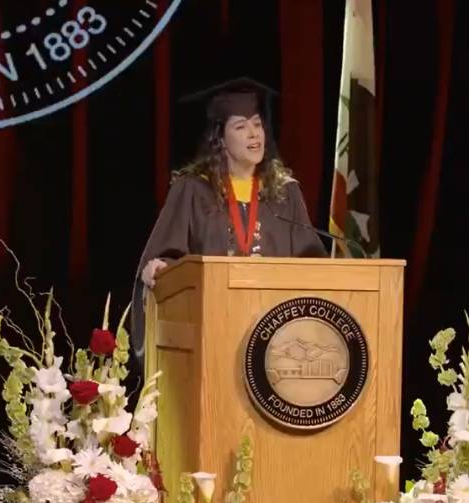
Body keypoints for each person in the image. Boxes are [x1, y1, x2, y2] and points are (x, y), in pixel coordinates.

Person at [130, 77, 327, 359]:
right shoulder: (194, 190)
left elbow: (312, 262)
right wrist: (160, 269)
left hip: (277, 338)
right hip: (212, 333)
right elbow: (168, 262)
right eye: (241, 126)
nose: (253, 134)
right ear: (220, 138)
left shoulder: (285, 192)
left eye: (257, 125)